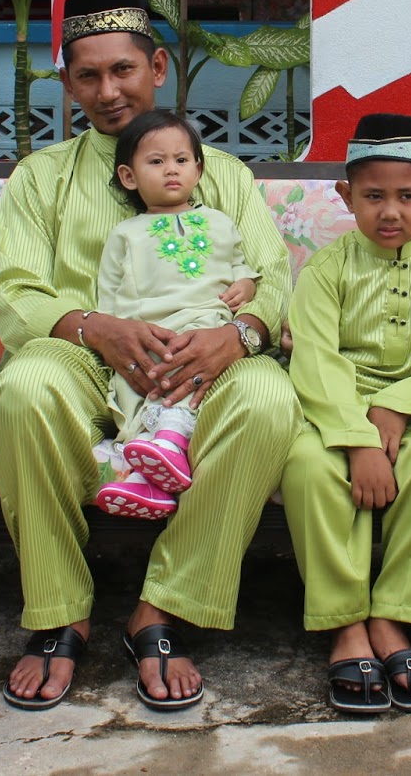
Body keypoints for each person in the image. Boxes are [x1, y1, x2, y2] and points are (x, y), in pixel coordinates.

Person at [0, 0, 300, 712]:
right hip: (83, 357)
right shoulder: (41, 178)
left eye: (124, 69)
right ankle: (60, 612)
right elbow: (18, 292)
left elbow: (271, 275)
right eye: (88, 76)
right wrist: (95, 327)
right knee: (23, 389)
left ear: (157, 66)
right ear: (67, 84)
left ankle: (164, 609)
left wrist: (241, 335)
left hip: (202, 361)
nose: (108, 90)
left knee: (269, 397)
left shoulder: (221, 175)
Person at [282, 113, 411, 714]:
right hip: (332, 412)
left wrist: (399, 407)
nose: (391, 211)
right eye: (373, 196)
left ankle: (395, 616)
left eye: (408, 196)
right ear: (347, 196)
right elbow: (316, 358)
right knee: (308, 469)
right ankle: (344, 624)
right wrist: (357, 438)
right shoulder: (327, 268)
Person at [93, 109, 260, 520]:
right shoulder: (125, 234)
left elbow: (241, 265)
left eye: (181, 160)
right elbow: (108, 295)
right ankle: (152, 466)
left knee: (190, 372)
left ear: (198, 170)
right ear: (129, 177)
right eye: (156, 161)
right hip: (151, 332)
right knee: (142, 383)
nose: (171, 170)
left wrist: (247, 285)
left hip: (207, 327)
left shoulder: (219, 222)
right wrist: (123, 332)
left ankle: (161, 451)